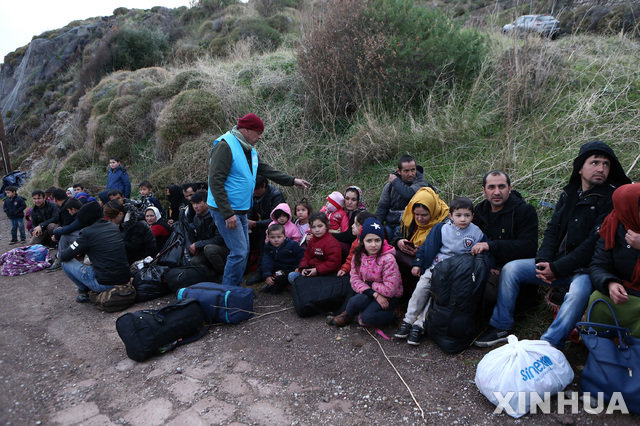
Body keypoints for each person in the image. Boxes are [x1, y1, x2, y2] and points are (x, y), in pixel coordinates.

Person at [475, 140, 631, 349]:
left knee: (578, 292)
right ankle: (501, 325)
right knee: (512, 269)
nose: (601, 168)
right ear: (580, 168)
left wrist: (557, 268)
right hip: (557, 264)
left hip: (587, 269)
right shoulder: (570, 193)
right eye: (595, 162)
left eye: (606, 164)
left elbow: (593, 243)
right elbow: (553, 229)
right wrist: (544, 262)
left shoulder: (612, 198)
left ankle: (549, 344)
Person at [207, 113, 310, 287]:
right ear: (245, 130)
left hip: (240, 209)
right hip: (226, 210)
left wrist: (292, 181)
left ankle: (234, 289)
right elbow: (215, 181)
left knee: (243, 251)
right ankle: (228, 292)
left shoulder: (248, 149)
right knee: (239, 252)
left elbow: (265, 169)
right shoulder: (225, 146)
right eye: (258, 132)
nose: (260, 136)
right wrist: (227, 213)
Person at [395, 197, 486, 346]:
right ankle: (408, 320)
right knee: (421, 290)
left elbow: (484, 253)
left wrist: (490, 266)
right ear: (451, 216)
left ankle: (420, 325)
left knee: (436, 298)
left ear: (473, 216)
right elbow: (426, 247)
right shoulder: (441, 229)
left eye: (467, 215)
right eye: (458, 215)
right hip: (435, 268)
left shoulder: (477, 233)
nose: (463, 219)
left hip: (454, 274)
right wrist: (418, 264)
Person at [470, 171, 539, 314]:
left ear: (509, 188)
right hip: (484, 266)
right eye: (491, 187)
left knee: (483, 292)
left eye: (501, 186)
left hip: (513, 272)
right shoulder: (480, 211)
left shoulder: (524, 211)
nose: (497, 192)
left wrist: (491, 246)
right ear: (484, 190)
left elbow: (529, 247)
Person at [328, 217, 403, 327]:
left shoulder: (388, 259)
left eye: (377, 240)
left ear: (382, 240)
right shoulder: (358, 255)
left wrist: (369, 284)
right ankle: (349, 314)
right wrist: (374, 294)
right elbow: (354, 279)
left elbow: (390, 290)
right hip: (371, 292)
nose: (373, 244)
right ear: (362, 241)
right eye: (369, 240)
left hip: (389, 296)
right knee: (353, 303)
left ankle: (394, 313)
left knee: (368, 318)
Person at [589, 183, 640, 337]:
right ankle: (602, 343)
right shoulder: (613, 226)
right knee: (597, 299)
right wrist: (610, 283)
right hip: (625, 292)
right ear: (628, 209)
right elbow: (598, 264)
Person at [59, 201, 131, 303]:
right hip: (124, 278)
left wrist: (75, 249)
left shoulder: (86, 233)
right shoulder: (113, 226)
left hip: (105, 284)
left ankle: (84, 291)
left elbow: (64, 256)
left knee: (65, 262)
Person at [391, 187, 449, 294]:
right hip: (409, 256)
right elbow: (397, 235)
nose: (419, 219)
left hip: (429, 261)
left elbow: (446, 249)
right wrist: (399, 241)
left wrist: (422, 251)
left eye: (424, 215)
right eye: (416, 214)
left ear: (432, 211)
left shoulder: (444, 223)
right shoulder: (410, 216)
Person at [376, 154, 430, 240]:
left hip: (410, 227)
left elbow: (409, 194)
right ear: (399, 171)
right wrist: (377, 226)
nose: (410, 174)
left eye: (413, 170)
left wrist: (395, 181)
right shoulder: (390, 186)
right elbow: (382, 207)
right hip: (390, 224)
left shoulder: (422, 183)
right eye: (406, 171)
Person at [288, 212, 342, 283]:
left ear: (326, 226)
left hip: (326, 274)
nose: (317, 230)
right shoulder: (312, 240)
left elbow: (334, 263)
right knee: (292, 276)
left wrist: (317, 270)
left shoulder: (332, 242)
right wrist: (303, 268)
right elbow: (306, 256)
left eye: (320, 226)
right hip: (311, 270)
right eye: (313, 227)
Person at [103, 200, 156, 265]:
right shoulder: (124, 223)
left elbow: (134, 248)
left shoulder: (136, 225)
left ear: (120, 214)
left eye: (111, 219)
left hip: (143, 260)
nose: (110, 221)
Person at [188, 192, 229, 274]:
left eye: (198, 203)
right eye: (193, 204)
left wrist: (198, 244)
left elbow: (219, 239)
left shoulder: (217, 215)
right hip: (206, 248)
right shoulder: (196, 218)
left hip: (224, 248)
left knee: (210, 250)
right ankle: (212, 275)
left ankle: (225, 274)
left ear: (207, 202)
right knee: (194, 261)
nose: (195, 206)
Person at [261, 223, 305, 293]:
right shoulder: (268, 247)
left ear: (284, 236)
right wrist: (267, 275)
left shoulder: (292, 245)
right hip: (277, 269)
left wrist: (299, 267)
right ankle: (272, 282)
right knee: (266, 272)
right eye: (272, 237)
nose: (276, 240)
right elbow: (267, 261)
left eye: (279, 237)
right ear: (268, 237)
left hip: (291, 269)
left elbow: (302, 256)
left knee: (281, 278)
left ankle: (284, 285)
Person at [48, 198, 84, 272]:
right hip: (88, 237)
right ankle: (62, 256)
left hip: (88, 239)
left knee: (65, 235)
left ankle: (60, 258)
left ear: (73, 209)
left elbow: (70, 228)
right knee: (64, 233)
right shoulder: (82, 213)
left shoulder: (81, 216)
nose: (69, 213)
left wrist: (56, 232)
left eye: (69, 210)